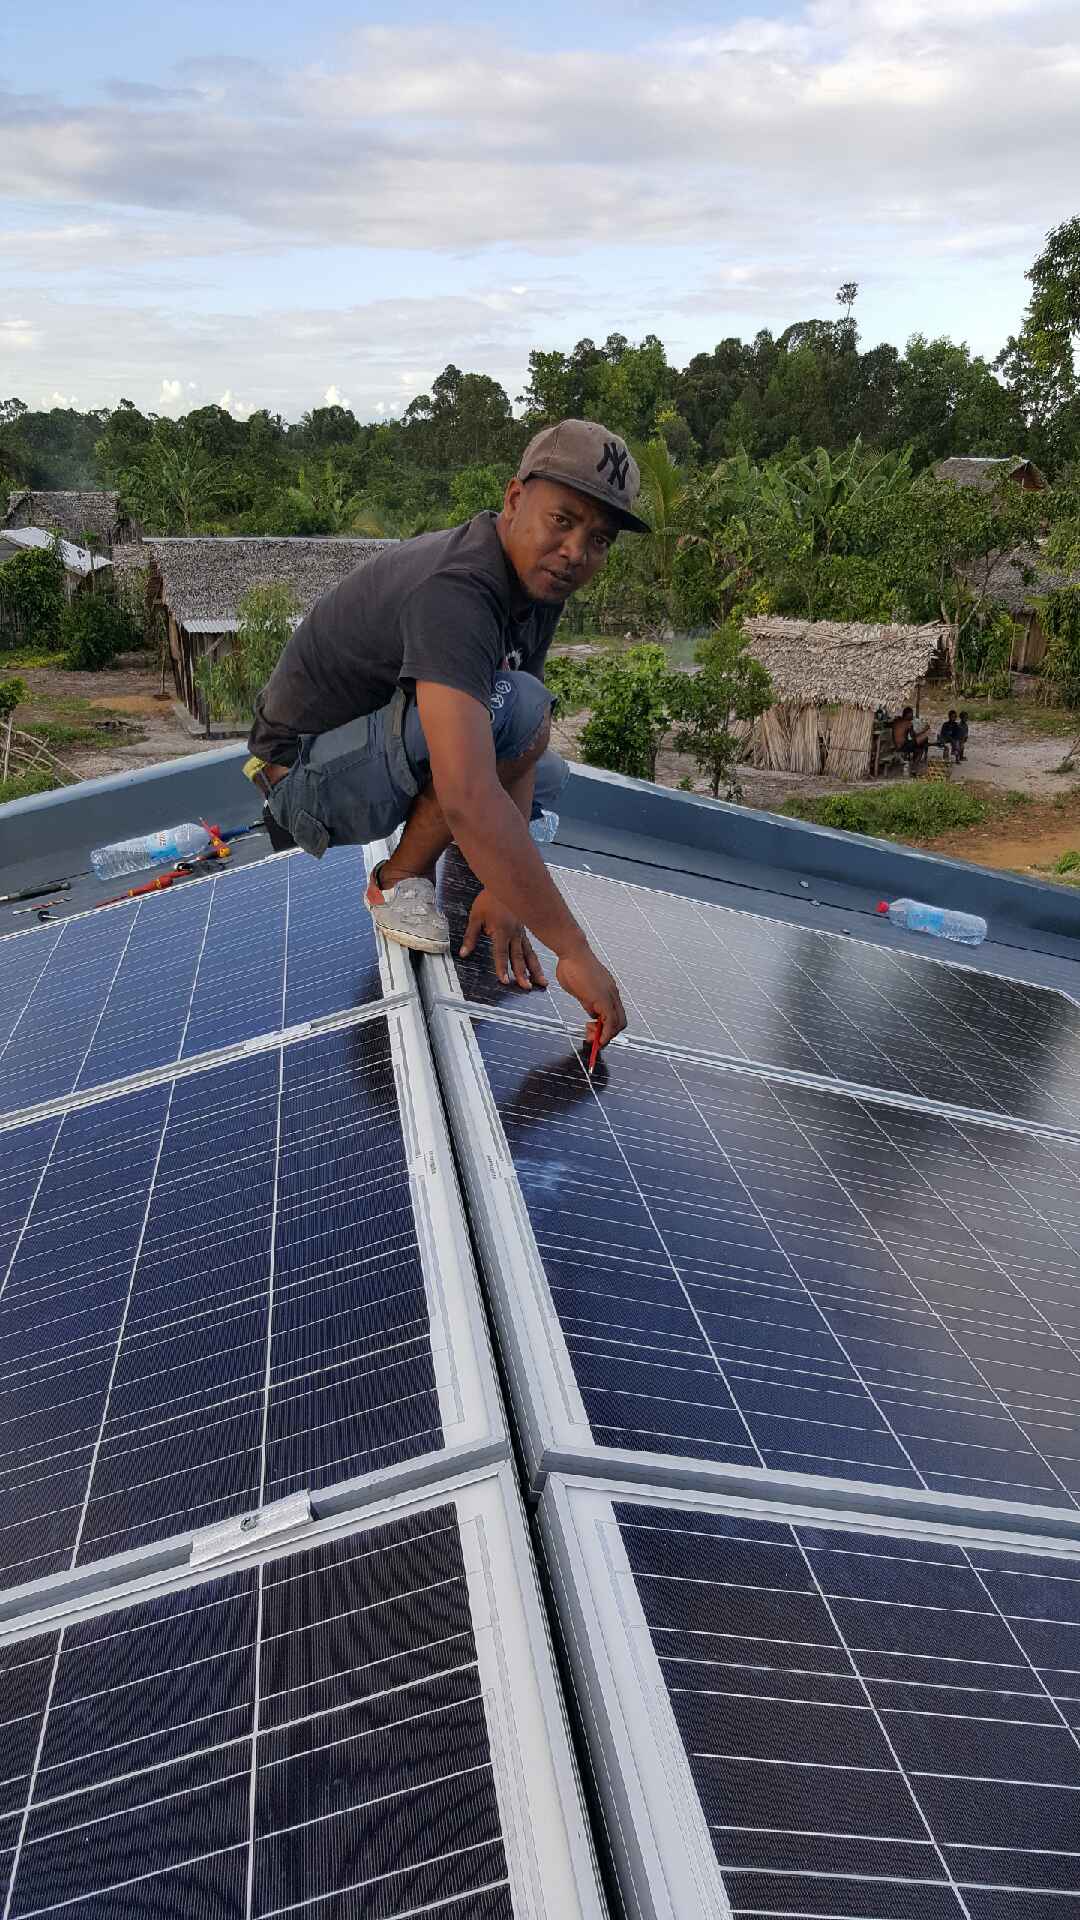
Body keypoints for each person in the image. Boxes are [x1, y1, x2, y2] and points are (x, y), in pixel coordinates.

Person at [245, 418, 643, 1050]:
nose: (575, 552)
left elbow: (521, 734)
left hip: (368, 752)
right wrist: (571, 949)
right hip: (302, 780)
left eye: (598, 540)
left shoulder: (537, 585)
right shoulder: (459, 588)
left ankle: (460, 862)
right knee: (492, 743)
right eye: (562, 521)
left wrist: (501, 889)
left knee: (543, 758)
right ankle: (397, 880)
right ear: (515, 500)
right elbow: (468, 791)